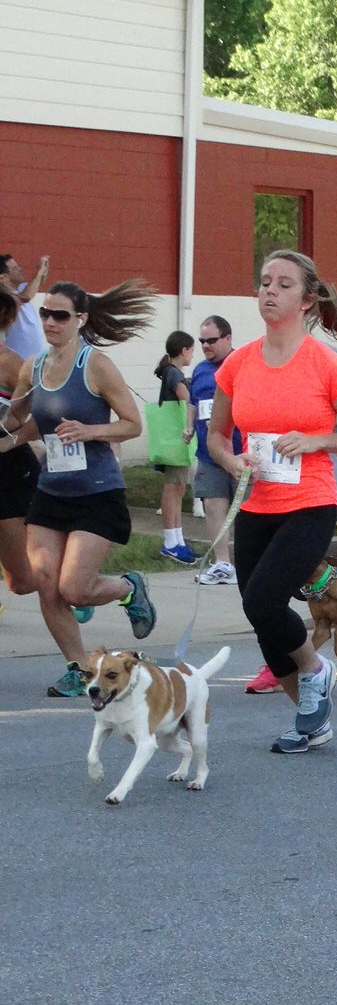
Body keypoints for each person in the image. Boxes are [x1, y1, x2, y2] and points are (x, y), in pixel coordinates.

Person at [206, 250, 337, 752]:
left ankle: (315, 669)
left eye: (283, 284)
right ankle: (310, 717)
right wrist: (231, 461)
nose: (269, 290)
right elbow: (216, 435)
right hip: (256, 503)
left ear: (306, 300)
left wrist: (316, 440)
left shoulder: (323, 363)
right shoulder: (238, 363)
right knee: (260, 616)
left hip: (309, 502)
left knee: (263, 600)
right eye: (265, 281)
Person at [0, 278, 159, 696]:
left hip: (97, 492)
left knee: (74, 588)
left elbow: (132, 424)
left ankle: (129, 587)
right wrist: (7, 434)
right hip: (51, 490)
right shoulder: (33, 367)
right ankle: (78, 667)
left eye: (60, 315)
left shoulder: (95, 365)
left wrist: (90, 431)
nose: (50, 322)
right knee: (45, 581)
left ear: (81, 319)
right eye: (45, 313)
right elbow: (19, 418)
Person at [189, 315, 241, 585]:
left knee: (247, 511)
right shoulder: (200, 370)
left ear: (228, 338)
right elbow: (194, 402)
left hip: (240, 453)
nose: (205, 346)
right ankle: (222, 563)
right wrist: (188, 426)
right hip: (208, 454)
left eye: (211, 340)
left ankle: (248, 561)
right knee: (212, 506)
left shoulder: (242, 364)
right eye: (202, 341)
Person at [0, 286, 41, 602]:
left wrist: (9, 442)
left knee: (22, 581)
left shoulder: (12, 364)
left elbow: (46, 417)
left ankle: (76, 586)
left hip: (10, 472)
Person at [152, 330, 198, 565]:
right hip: (176, 440)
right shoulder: (174, 373)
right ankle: (170, 542)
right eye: (192, 350)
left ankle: (177, 539)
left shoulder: (170, 371)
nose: (193, 355)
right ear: (184, 350)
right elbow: (186, 397)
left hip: (175, 441)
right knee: (173, 488)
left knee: (178, 487)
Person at [0, 252, 49, 360]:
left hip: (32, 356)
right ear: (5, 276)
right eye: (15, 268)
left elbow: (38, 283)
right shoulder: (4, 295)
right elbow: (26, 297)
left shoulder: (21, 288)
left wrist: (43, 268)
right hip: (15, 357)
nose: (20, 269)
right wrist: (40, 272)